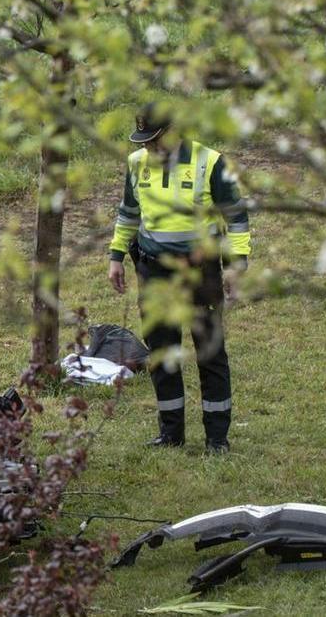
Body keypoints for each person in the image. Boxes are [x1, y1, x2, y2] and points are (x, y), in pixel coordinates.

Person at [107, 103, 251, 454]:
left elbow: (236, 217)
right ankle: (171, 434)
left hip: (199, 272)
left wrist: (236, 263)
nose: (147, 149)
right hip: (153, 270)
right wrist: (115, 256)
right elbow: (129, 213)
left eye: (154, 141)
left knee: (210, 352)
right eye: (143, 142)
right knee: (161, 351)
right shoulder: (136, 163)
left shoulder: (210, 162)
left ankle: (217, 438)